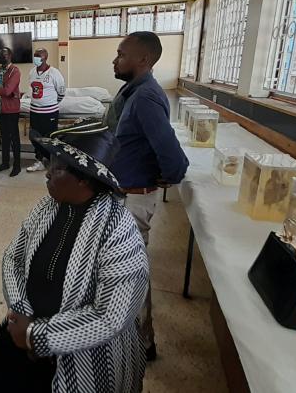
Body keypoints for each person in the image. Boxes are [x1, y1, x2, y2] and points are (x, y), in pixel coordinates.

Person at [0, 120, 148, 393]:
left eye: (56, 167)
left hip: (83, 353)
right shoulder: (48, 206)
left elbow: (110, 316)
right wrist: (21, 309)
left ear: (83, 178)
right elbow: (13, 258)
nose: (47, 173)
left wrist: (37, 337)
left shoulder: (119, 230)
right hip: (25, 325)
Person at [108, 31, 189, 361]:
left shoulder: (145, 98)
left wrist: (167, 176)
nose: (115, 59)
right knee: (121, 270)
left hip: (134, 198)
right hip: (124, 192)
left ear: (144, 59)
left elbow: (172, 155)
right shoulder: (133, 90)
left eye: (121, 54)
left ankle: (143, 344)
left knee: (131, 273)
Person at [26, 48, 65, 173]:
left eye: (39, 56)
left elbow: (61, 92)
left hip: (49, 112)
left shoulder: (54, 73)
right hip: (34, 111)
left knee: (49, 137)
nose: (36, 59)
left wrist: (50, 103)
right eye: (35, 56)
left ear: (45, 58)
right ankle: (39, 160)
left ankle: (50, 160)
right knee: (34, 136)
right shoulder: (32, 72)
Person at [0, 47, 21, 177]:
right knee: (4, 137)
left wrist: (1, 90)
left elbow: (8, 91)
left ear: (10, 55)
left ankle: (17, 165)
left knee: (14, 138)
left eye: (5, 54)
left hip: (11, 109)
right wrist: (3, 90)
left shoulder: (15, 71)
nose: (3, 57)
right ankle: (5, 162)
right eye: (0, 55)